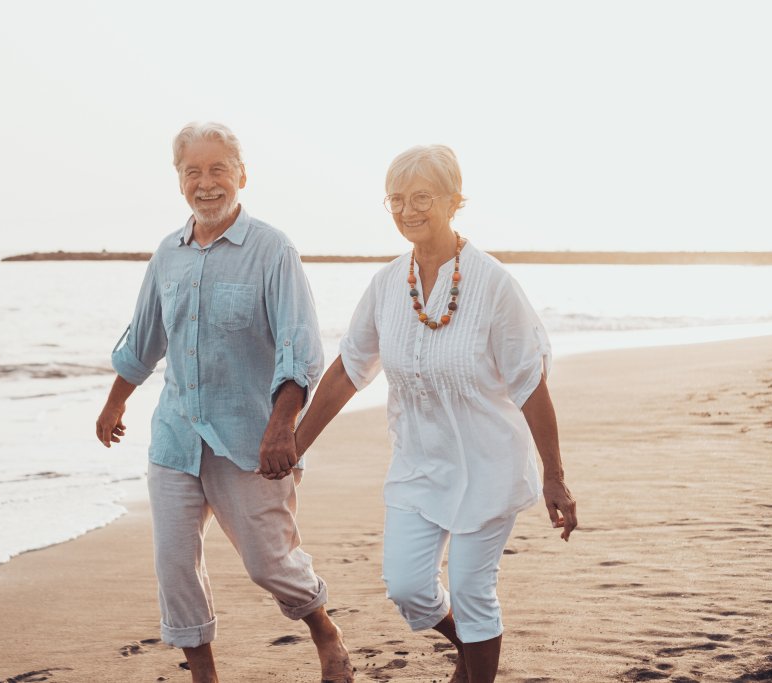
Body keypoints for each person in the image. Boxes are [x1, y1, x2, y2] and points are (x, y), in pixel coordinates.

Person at [278, 145, 578, 683]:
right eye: (396, 199)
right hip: (420, 464)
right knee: (409, 586)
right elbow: (349, 370)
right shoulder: (389, 284)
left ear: (453, 201)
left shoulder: (493, 284)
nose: (408, 210)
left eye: (422, 197)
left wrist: (555, 476)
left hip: (488, 464)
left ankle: (475, 667)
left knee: (471, 589)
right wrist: (296, 445)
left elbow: (531, 384)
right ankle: (475, 654)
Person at [95, 122, 353, 683]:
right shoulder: (168, 254)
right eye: (194, 172)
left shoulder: (272, 249)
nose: (206, 183)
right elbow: (144, 338)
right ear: (179, 181)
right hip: (175, 437)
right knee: (174, 566)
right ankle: (203, 675)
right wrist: (115, 402)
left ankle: (324, 630)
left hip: (250, 438)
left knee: (270, 565)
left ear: (241, 175)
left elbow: (299, 347)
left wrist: (282, 426)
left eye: (218, 170)